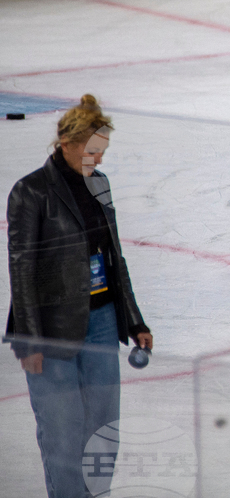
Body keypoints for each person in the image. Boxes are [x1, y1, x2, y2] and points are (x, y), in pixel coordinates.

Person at [5, 94, 153, 498]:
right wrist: (30, 338)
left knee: (103, 430)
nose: (98, 161)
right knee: (63, 434)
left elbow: (113, 256)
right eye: (91, 151)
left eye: (101, 152)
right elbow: (22, 269)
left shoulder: (99, 185)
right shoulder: (30, 192)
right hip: (52, 328)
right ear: (66, 145)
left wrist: (134, 319)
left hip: (103, 320)